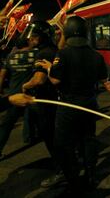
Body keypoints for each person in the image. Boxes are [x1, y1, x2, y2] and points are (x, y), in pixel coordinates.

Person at [37, 16, 110, 194]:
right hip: (89, 104)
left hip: (68, 106)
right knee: (88, 140)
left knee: (63, 144)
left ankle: (72, 179)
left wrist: (49, 68)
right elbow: (103, 78)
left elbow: (55, 80)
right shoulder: (96, 55)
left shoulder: (62, 54)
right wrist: (106, 84)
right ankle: (90, 175)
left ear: (68, 32)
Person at [19, 20, 62, 188]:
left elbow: (39, 79)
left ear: (43, 37)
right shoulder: (53, 50)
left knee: (51, 138)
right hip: (56, 100)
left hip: (46, 102)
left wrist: (25, 86)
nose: (31, 40)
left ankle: (61, 171)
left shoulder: (42, 53)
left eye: (35, 36)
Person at [0, 36, 38, 159]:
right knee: (45, 123)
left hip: (14, 95)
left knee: (6, 126)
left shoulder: (10, 57)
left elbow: (2, 75)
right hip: (32, 94)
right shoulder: (36, 54)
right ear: (27, 42)